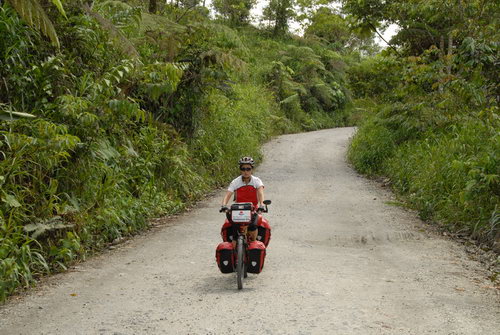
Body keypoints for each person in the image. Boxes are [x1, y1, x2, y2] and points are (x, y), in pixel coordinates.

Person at [220, 156, 265, 241]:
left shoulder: (257, 181)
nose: (245, 171)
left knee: (253, 227)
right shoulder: (235, 182)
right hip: (238, 209)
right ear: (240, 170)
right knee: (234, 231)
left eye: (248, 169)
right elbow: (227, 195)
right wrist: (224, 205)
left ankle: (253, 243)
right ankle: (235, 249)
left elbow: (260, 193)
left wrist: (262, 204)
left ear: (252, 169)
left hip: (253, 209)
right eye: (243, 169)